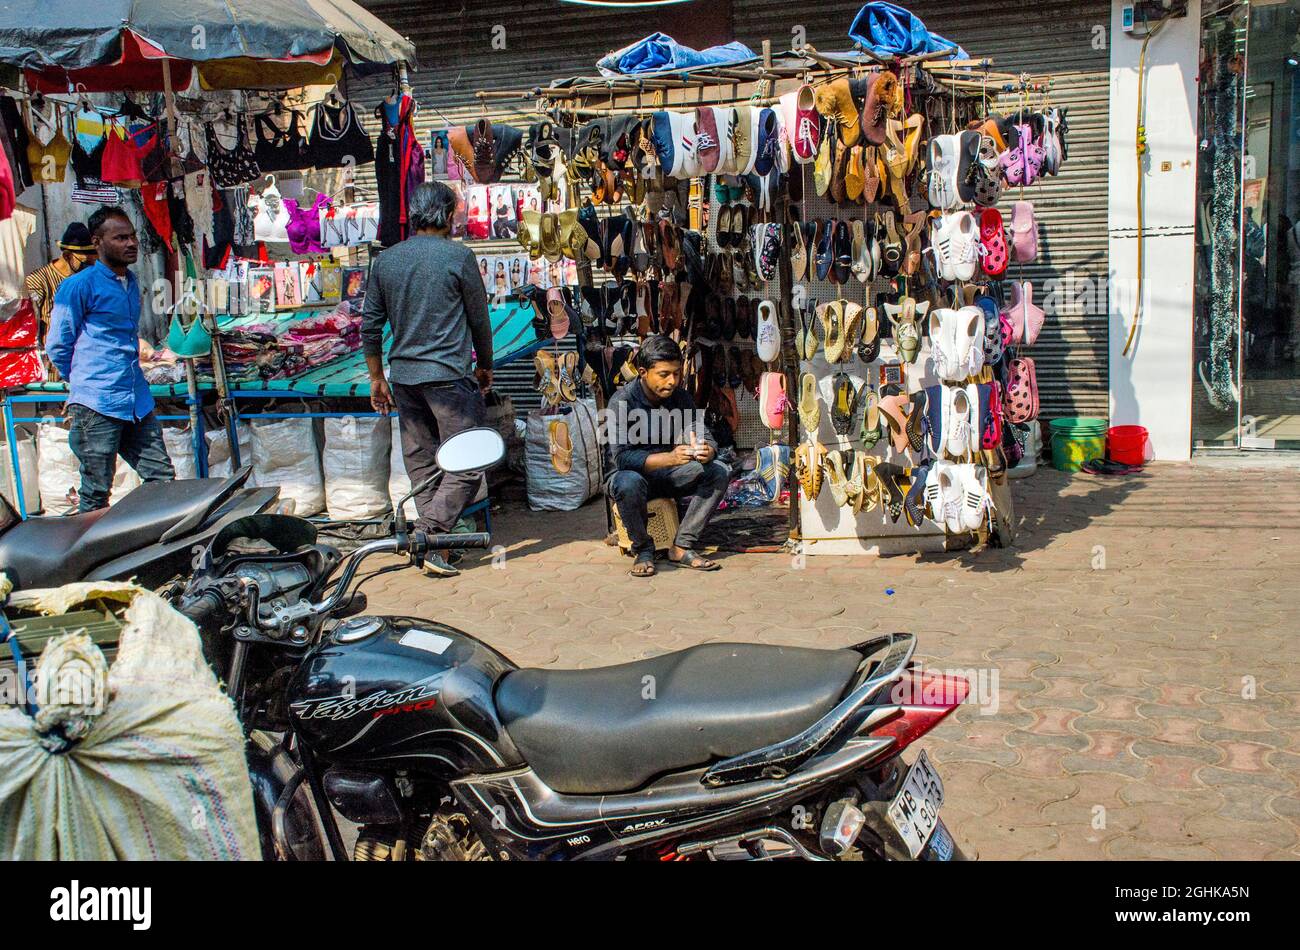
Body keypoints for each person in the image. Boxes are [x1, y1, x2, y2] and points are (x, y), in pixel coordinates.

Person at [362, 181, 494, 578]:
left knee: (422, 460)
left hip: (404, 378)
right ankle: (429, 533)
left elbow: (370, 325)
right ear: (447, 213)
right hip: (448, 378)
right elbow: (479, 319)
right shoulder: (459, 257)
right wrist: (484, 364)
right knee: (469, 461)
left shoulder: (386, 261)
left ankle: (436, 547)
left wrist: (375, 377)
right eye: (456, 211)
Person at [45, 206, 175, 512]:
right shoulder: (79, 286)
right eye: (120, 238)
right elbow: (58, 346)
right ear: (98, 242)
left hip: (136, 401)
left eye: (132, 237)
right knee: (96, 493)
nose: (131, 243)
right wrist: (85, 382)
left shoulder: (130, 283)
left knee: (162, 479)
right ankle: (93, 557)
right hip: (97, 404)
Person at [606, 335, 729, 578]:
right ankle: (643, 550)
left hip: (668, 476)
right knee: (628, 481)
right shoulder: (622, 402)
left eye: (676, 373)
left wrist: (707, 449)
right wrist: (671, 458)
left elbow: (702, 431)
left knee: (719, 471)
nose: (672, 381)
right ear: (643, 372)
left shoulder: (680, 398)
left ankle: (682, 546)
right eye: (664, 374)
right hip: (630, 478)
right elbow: (622, 459)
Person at [25, 222, 97, 375]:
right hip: (54, 361)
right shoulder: (38, 280)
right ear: (67, 256)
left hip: (87, 359)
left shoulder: (89, 281)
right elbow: (33, 326)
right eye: (85, 263)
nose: (90, 268)